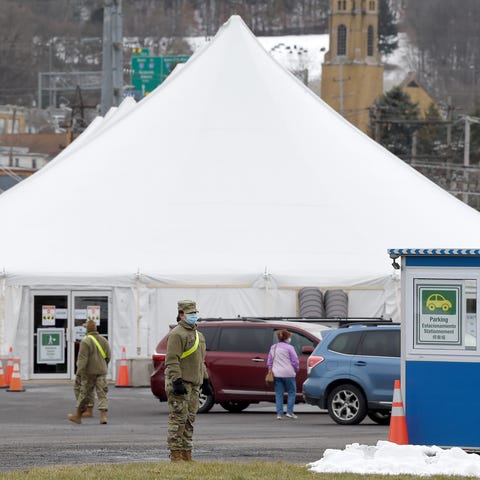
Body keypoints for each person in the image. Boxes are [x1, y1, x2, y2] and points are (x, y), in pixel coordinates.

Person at [165, 300, 211, 462]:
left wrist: (205, 380)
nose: (194, 316)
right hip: (181, 382)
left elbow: (201, 360)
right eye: (190, 313)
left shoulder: (199, 335)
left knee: (190, 418)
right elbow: (172, 359)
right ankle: (176, 453)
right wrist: (176, 380)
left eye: (195, 313)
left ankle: (187, 452)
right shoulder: (177, 334)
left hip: (195, 383)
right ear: (181, 314)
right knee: (178, 417)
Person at [67, 318, 111, 425]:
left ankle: (78, 416)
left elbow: (83, 360)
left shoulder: (85, 341)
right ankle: (103, 416)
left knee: (84, 393)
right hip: (101, 371)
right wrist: (103, 366)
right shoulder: (104, 340)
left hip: (89, 372)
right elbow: (108, 356)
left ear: (87, 329)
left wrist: (79, 373)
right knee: (102, 393)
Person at [267, 329, 299, 420]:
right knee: (292, 392)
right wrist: (296, 369)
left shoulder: (273, 347)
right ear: (286, 338)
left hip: (276, 374)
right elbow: (295, 361)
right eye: (289, 337)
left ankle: (279, 414)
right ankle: (289, 412)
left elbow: (269, 361)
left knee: (279, 394)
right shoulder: (290, 348)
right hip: (289, 374)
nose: (290, 339)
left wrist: (270, 370)